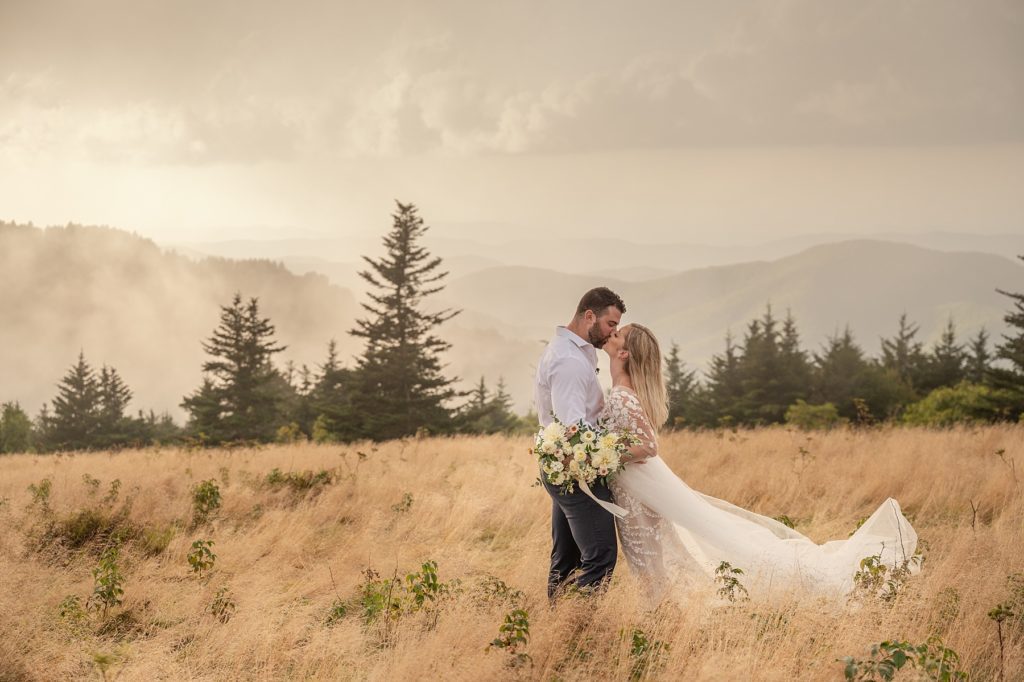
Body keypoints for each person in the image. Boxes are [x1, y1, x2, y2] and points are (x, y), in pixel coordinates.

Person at [600, 323, 919, 600]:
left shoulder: (622, 395)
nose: (611, 334)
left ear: (624, 353)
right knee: (656, 557)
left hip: (640, 492)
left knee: (653, 557)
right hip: (641, 491)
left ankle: (664, 611)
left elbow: (647, 446)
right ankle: (663, 612)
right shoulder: (622, 391)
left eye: (618, 334)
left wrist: (601, 456)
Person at [534, 286, 627, 599]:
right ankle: (578, 631)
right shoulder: (570, 361)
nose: (612, 332)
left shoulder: (570, 351)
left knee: (567, 560)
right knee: (600, 556)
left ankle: (559, 628)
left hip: (563, 469)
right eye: (610, 324)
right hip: (578, 471)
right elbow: (573, 430)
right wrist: (612, 453)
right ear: (590, 316)